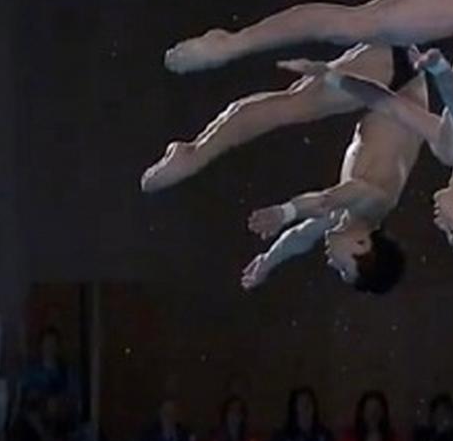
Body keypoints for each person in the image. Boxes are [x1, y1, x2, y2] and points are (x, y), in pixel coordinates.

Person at [160, 0, 453, 258]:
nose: (442, 226)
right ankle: (230, 44)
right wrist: (441, 72)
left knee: (350, 30)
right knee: (353, 25)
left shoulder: (450, 152)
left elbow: (389, 104)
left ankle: (229, 56)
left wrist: (333, 76)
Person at [141, 40, 431, 296]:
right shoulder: (376, 202)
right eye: (344, 269)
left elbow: (301, 237)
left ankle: (195, 149)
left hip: (393, 75)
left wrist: (268, 262)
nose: (332, 264)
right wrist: (285, 212)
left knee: (292, 101)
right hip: (398, 76)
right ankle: (192, 151)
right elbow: (331, 197)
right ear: (362, 245)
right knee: (292, 104)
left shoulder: (349, 219)